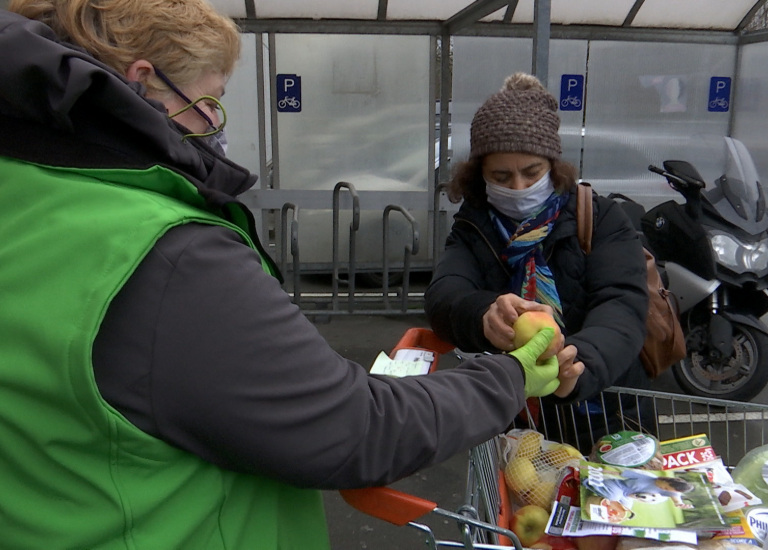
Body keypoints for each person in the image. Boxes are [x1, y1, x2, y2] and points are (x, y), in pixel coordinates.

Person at [0, 2, 576, 548]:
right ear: (143, 80)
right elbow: (354, 428)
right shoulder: (166, 253)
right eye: (211, 103)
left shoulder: (27, 193)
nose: (215, 128)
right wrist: (507, 378)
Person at [424, 72, 653, 451]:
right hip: (516, 422)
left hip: (607, 417)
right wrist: (484, 313)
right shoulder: (474, 226)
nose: (518, 187)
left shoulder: (601, 218)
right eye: (501, 175)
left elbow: (623, 307)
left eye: (531, 172)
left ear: (552, 165)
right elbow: (445, 294)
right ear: (479, 174)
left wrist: (576, 367)